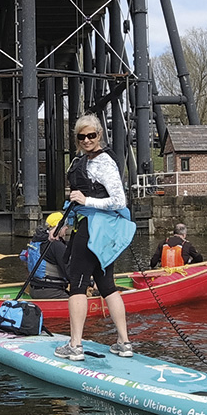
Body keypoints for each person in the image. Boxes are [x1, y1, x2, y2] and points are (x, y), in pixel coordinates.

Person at [53, 114, 134, 361]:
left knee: (77, 286)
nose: (87, 140)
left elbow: (119, 201)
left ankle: (75, 346)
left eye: (91, 135)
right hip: (91, 228)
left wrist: (87, 201)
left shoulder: (104, 162)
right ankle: (124, 343)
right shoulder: (82, 161)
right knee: (107, 286)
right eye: (82, 136)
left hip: (92, 230)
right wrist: (64, 224)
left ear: (99, 134)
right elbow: (75, 199)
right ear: (77, 139)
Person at [19, 212, 69, 299]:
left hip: (34, 290)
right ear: (59, 228)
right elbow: (69, 271)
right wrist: (88, 282)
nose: (67, 228)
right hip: (51, 292)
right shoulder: (56, 245)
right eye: (65, 225)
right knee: (78, 302)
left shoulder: (36, 241)